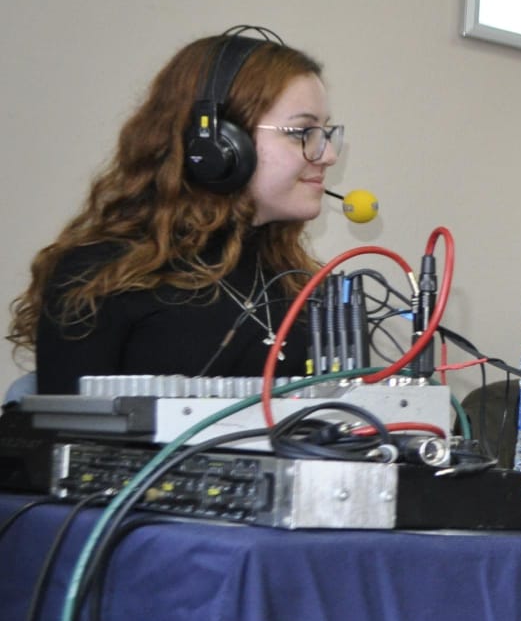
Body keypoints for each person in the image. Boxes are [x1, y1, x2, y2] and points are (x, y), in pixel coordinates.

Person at [8, 29, 335, 395]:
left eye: (325, 133)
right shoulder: (98, 277)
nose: (327, 155)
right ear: (218, 142)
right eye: (301, 132)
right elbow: (64, 442)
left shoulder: (306, 289)